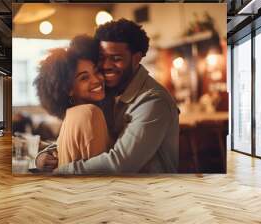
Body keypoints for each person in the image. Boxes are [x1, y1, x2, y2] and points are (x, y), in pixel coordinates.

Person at [52, 18, 180, 174]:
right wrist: (45, 155)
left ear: (136, 58)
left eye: (116, 59)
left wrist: (61, 172)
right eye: (102, 58)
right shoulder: (108, 91)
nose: (106, 65)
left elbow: (120, 164)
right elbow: (84, 138)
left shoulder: (154, 101)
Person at [34, 35, 111, 169]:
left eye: (96, 71)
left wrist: (41, 155)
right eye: (84, 78)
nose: (97, 80)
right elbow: (99, 175)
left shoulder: (71, 115)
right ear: (68, 88)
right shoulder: (89, 113)